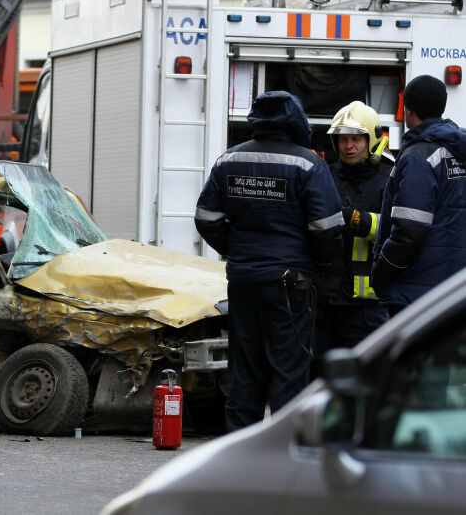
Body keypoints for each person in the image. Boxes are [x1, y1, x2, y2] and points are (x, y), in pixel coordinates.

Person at [195, 90, 343, 431]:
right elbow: (326, 229)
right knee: (288, 374)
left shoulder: (228, 161)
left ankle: (239, 459)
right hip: (291, 285)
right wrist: (321, 265)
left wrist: (236, 248)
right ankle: (282, 460)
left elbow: (206, 218)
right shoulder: (308, 163)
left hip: (244, 281)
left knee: (244, 373)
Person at [372, 75, 466, 315]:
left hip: (417, 294)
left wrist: (382, 272)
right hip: (455, 289)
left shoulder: (417, 156)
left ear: (409, 110)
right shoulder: (458, 150)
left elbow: (410, 229)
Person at [315, 101, 392, 358]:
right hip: (326, 302)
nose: (348, 146)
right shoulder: (325, 176)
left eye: (356, 139)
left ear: (371, 139)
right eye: (343, 139)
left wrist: (360, 221)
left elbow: (402, 229)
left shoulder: (391, 177)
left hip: (369, 308)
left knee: (368, 381)